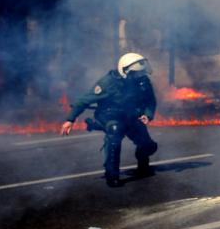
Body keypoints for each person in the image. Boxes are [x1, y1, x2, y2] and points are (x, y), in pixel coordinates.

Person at [60, 53, 158, 187]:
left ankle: (143, 165)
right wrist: (70, 119)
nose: (139, 76)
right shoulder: (108, 83)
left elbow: (150, 100)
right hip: (110, 116)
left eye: (141, 72)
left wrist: (148, 114)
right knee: (115, 131)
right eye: (135, 73)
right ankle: (112, 175)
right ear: (125, 71)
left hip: (131, 116)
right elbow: (83, 100)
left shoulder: (143, 81)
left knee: (149, 146)